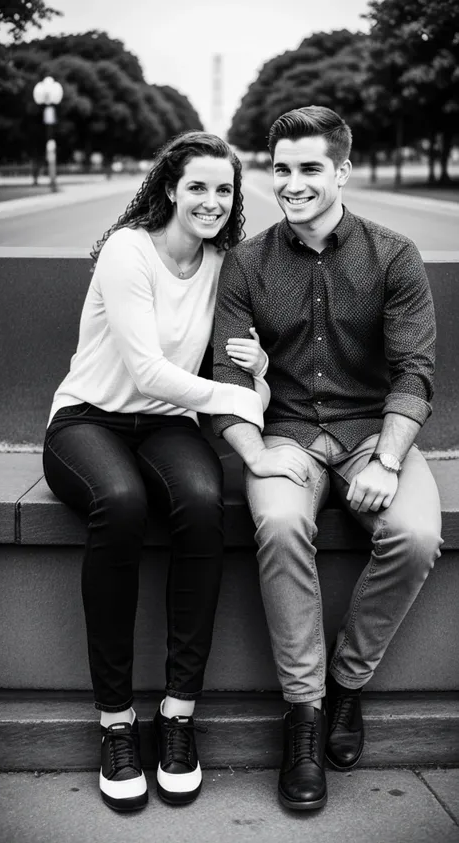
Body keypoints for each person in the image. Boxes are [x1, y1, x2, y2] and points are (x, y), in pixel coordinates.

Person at [212, 106, 442, 811]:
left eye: (310, 168)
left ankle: (346, 683)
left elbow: (415, 371)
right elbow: (225, 376)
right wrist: (254, 455)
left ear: (342, 170)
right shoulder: (247, 261)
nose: (293, 182)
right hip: (285, 432)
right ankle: (304, 714)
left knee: (415, 535)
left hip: (374, 431)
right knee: (280, 523)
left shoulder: (393, 254)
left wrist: (388, 458)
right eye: (281, 168)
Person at [43, 131, 270, 812]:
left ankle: (176, 714)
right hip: (87, 418)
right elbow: (145, 370)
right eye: (197, 186)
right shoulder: (127, 250)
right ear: (171, 187)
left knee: (203, 500)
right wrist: (240, 399)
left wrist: (255, 376)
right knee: (121, 501)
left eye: (223, 189)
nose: (210, 200)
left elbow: (240, 367)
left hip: (166, 425)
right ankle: (115, 721)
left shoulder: (226, 262)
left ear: (234, 198)